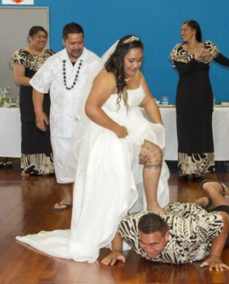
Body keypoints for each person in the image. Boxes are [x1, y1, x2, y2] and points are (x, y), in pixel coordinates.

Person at [16, 35, 170, 263]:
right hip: (109, 133)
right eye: (131, 60)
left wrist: (158, 126)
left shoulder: (137, 76)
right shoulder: (107, 77)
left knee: (154, 155)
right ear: (120, 57)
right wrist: (116, 127)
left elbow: (148, 101)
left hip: (132, 129)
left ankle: (149, 209)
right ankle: (132, 220)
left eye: (139, 60)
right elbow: (90, 108)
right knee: (126, 177)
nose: (136, 65)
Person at [170, 19, 229, 180]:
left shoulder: (209, 47)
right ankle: (186, 168)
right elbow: (183, 71)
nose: (181, 33)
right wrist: (195, 58)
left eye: (184, 30)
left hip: (203, 95)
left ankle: (201, 168)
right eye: (181, 30)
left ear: (194, 31)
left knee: (203, 131)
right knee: (186, 131)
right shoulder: (178, 50)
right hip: (185, 96)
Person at [102, 179, 229, 272]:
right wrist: (116, 250)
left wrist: (215, 255)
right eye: (143, 243)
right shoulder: (133, 227)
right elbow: (120, 223)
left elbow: (223, 218)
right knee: (191, 213)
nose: (148, 249)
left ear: (167, 235)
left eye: (154, 244)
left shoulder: (190, 233)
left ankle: (212, 189)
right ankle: (200, 204)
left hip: (196, 225)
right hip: (177, 212)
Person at [31, 22, 101, 211]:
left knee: (85, 163)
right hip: (60, 122)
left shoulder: (94, 61)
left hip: (86, 123)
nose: (77, 47)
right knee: (62, 161)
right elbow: (38, 87)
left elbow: (104, 90)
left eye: (80, 42)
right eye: (72, 43)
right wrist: (39, 112)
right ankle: (67, 199)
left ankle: (84, 201)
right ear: (64, 42)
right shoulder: (53, 62)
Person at [10, 26, 55, 176]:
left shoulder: (50, 55)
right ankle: (31, 167)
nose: (42, 40)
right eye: (38, 37)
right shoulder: (21, 54)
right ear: (30, 38)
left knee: (48, 127)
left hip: (48, 98)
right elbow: (19, 79)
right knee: (31, 129)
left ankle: (49, 166)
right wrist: (40, 82)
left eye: (44, 37)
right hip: (29, 98)